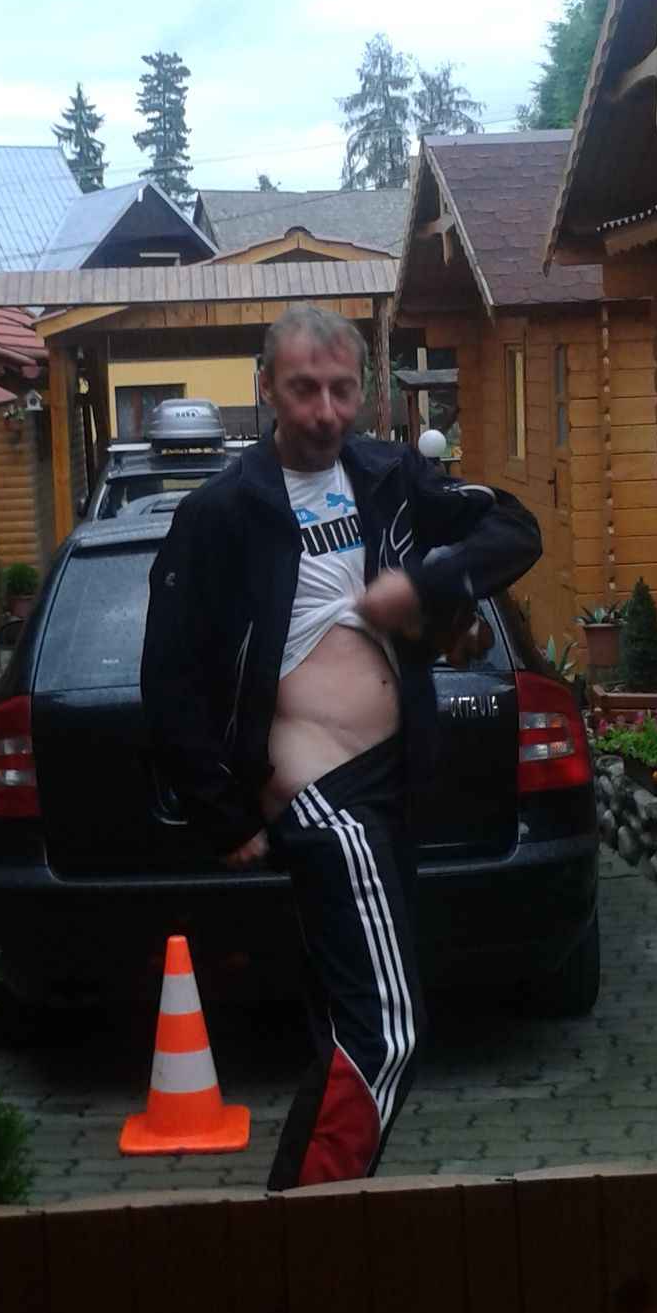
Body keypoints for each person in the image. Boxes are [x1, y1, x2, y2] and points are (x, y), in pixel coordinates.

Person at [140, 304, 542, 1190]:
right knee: (387, 1031)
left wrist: (423, 583)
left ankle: (318, 1214)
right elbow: (169, 678)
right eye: (303, 389)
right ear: (265, 389)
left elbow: (515, 528)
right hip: (324, 801)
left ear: (366, 390)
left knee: (344, 1023)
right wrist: (220, 812)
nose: (324, 411)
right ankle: (312, 1225)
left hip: (395, 784)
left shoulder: (390, 475)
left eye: (341, 390)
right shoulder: (222, 512)